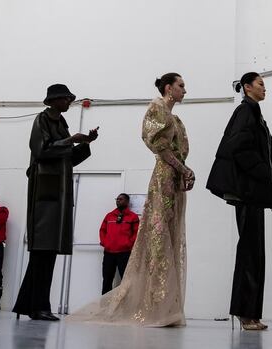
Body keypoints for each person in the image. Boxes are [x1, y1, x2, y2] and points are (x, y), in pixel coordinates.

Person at [69, 73, 193, 327]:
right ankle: (153, 306)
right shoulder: (157, 109)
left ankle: (165, 306)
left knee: (171, 235)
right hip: (164, 178)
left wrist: (184, 172)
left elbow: (177, 150)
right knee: (158, 239)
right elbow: (159, 145)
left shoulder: (176, 119)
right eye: (181, 85)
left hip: (174, 181)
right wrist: (182, 169)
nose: (185, 90)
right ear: (168, 88)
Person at [12, 84, 98, 321]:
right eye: (66, 99)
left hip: (58, 193)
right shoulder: (43, 120)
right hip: (44, 192)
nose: (70, 102)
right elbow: (40, 150)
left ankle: (30, 305)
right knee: (42, 250)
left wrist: (85, 143)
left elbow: (69, 159)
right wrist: (71, 140)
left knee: (47, 252)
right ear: (54, 100)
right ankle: (38, 306)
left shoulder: (61, 123)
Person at [207, 72, 272, 331]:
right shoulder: (245, 112)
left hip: (254, 193)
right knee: (250, 252)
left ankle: (249, 313)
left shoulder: (254, 112)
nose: (264, 88)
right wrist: (262, 170)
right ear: (247, 87)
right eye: (260, 84)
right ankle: (245, 313)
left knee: (254, 252)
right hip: (249, 192)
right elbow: (237, 147)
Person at [98, 193, 139, 294]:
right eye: (117, 199)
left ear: (127, 202)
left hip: (124, 253)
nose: (118, 201)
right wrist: (105, 242)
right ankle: (104, 307)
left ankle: (126, 306)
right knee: (107, 280)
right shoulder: (109, 216)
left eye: (121, 199)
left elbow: (136, 233)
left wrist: (128, 244)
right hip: (109, 253)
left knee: (126, 280)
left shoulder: (133, 217)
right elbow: (102, 230)